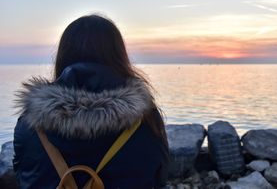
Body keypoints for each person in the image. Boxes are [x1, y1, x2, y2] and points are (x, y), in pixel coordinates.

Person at [13, 14, 169, 189]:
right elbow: (158, 177)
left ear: (63, 55)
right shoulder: (146, 119)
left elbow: (23, 175)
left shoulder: (30, 122)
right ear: (119, 55)